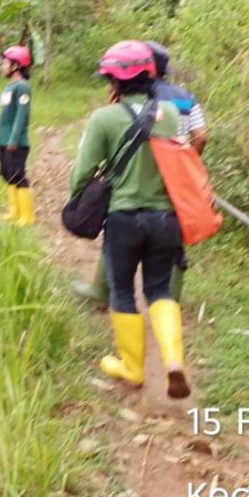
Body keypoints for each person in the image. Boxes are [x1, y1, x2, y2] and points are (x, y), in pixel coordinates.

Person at [68, 40, 191, 398]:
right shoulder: (170, 114)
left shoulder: (104, 118)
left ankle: (132, 368)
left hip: (124, 219)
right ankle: (173, 361)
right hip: (166, 219)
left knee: (122, 289)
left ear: (114, 82)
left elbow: (83, 171)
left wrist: (79, 200)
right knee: (159, 289)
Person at [72, 41, 208, 304]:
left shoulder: (142, 100)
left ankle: (102, 290)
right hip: (172, 182)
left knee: (119, 245)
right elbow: (201, 136)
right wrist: (185, 162)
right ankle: (171, 297)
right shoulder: (185, 97)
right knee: (171, 245)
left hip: (135, 184)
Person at [0, 45, 34, 226]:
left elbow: (22, 115)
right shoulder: (9, 87)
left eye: (6, 63)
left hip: (16, 142)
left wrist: (13, 139)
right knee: (8, 174)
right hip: (4, 139)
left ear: (16, 66)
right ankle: (13, 211)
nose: (2, 66)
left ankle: (27, 215)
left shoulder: (22, 87)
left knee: (18, 175)